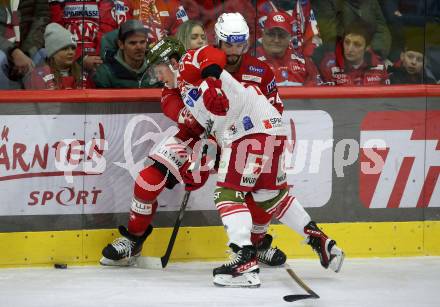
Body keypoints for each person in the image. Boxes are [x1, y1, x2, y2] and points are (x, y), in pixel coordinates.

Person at [146, 14, 344, 287]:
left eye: (159, 68)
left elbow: (210, 61)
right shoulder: (180, 88)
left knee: (227, 193)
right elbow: (212, 127)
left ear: (171, 61)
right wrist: (199, 162)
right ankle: (320, 240)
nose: (157, 75)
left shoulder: (196, 56)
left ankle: (244, 261)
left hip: (253, 130)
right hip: (264, 132)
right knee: (271, 196)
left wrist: (213, 82)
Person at [256, 11, 322, 86]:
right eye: (271, 34)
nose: (276, 40)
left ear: (289, 37)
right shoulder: (251, 61)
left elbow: (317, 91)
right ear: (263, 35)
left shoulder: (303, 62)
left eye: (282, 35)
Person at [319, 19, 389, 86]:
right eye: (347, 42)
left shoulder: (379, 67)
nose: (349, 49)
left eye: (357, 44)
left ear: (368, 47)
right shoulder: (330, 65)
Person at [24, 23, 93, 89]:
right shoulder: (39, 75)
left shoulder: (82, 75)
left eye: (73, 48)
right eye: (65, 49)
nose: (71, 52)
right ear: (53, 53)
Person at [93, 20, 158, 88]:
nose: (139, 47)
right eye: (132, 43)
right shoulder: (106, 73)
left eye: (142, 42)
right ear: (121, 44)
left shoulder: (157, 68)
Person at [0, 0, 50, 89]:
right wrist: (13, 52)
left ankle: (40, 101)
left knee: (43, 55)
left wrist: (27, 53)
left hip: (28, 45)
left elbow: (41, 21)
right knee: (1, 59)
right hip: (3, 47)